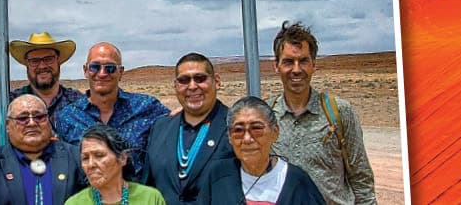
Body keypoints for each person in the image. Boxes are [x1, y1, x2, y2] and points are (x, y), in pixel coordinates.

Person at [268, 21, 376, 204]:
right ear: (276, 66)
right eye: (288, 62)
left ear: (313, 65)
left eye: (303, 61)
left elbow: (361, 178)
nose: (296, 69)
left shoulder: (339, 112)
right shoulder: (266, 115)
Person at [53, 42, 170, 180]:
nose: (102, 74)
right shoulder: (67, 117)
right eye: (95, 67)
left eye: (110, 68)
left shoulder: (147, 107)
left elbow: (177, 127)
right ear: (85, 70)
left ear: (120, 72)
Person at [140, 53, 234, 204]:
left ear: (216, 81)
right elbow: (148, 189)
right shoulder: (160, 128)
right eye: (184, 80)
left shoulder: (236, 127)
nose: (192, 86)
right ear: (176, 86)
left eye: (200, 78)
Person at [197, 97, 326, 205]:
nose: (247, 139)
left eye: (257, 128)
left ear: (275, 132)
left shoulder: (297, 182)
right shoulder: (218, 176)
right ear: (230, 137)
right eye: (238, 130)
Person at [0, 94, 90, 205]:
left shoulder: (77, 158)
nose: (32, 123)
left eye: (39, 117)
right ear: (7, 125)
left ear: (48, 120)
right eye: (22, 118)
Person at [0, 32, 87, 138]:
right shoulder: (6, 103)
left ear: (58, 60)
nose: (42, 66)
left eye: (48, 59)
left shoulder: (77, 102)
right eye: (35, 61)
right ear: (27, 64)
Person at [64, 125, 167, 205]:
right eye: (85, 158)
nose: (91, 164)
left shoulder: (150, 198)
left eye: (99, 155)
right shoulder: (75, 202)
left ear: (122, 158)